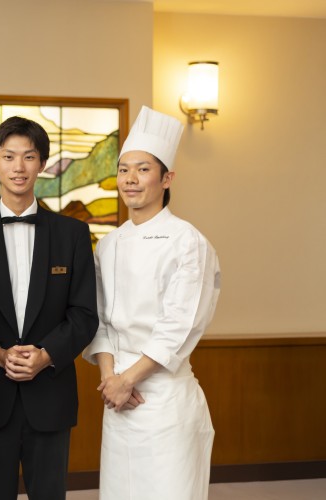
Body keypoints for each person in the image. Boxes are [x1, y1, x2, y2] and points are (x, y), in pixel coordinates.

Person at [0, 116, 99, 500]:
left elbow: (84, 314)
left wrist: (46, 355)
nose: (19, 167)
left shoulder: (73, 234)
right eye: (9, 156)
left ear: (42, 164)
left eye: (29, 157)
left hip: (50, 394)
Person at [83, 106, 221, 500]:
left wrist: (128, 380)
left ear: (167, 178)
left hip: (164, 399)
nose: (130, 179)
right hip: (117, 400)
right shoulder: (109, 244)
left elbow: (180, 325)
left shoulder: (187, 241)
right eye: (124, 169)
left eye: (143, 169)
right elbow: (99, 320)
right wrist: (111, 380)